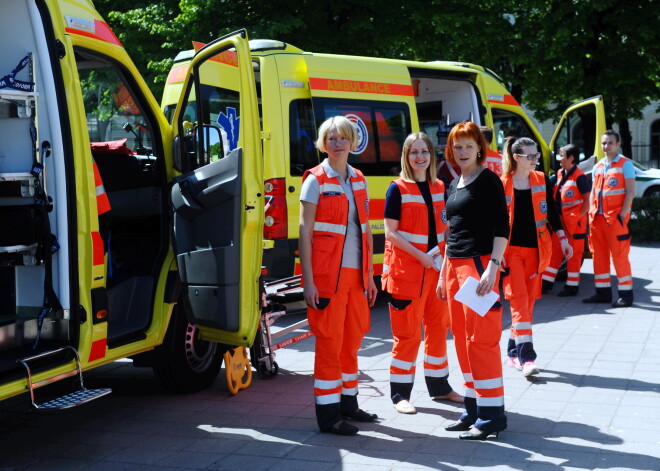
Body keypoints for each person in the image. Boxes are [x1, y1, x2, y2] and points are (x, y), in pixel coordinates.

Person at [299, 115, 379, 436]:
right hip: (327, 279)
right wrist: (308, 281)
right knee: (330, 343)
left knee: (352, 341)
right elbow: (304, 232)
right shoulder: (315, 180)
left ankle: (349, 404)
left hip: (356, 278)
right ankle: (328, 416)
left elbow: (364, 233)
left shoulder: (359, 178)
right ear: (323, 143)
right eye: (331, 138)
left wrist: (370, 277)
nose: (338, 143)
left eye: (343, 138)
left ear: (352, 142)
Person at [437, 121, 509, 440]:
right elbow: (452, 233)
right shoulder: (455, 183)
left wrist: (493, 267)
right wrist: (443, 275)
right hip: (455, 268)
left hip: (479, 266)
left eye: (468, 145)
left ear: (480, 147)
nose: (462, 151)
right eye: (457, 146)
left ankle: (492, 415)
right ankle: (474, 408)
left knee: (482, 341)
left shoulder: (488, 180)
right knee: (464, 341)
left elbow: (501, 227)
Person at [381, 132, 462, 415]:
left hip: (437, 271)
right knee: (407, 336)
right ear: (406, 156)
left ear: (431, 155)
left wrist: (442, 260)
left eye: (424, 152)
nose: (419, 157)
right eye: (414, 152)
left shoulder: (440, 186)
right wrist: (423, 257)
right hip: (408, 273)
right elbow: (390, 233)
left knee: (439, 330)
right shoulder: (397, 188)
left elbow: (447, 229)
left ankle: (440, 388)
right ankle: (400, 395)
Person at [500, 137, 573, 377]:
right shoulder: (503, 184)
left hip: (537, 251)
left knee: (528, 305)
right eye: (530, 156)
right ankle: (527, 358)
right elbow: (494, 223)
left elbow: (552, 210)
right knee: (519, 302)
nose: (535, 160)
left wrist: (563, 239)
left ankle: (512, 352)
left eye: (536, 156)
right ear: (516, 158)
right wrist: (495, 255)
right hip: (510, 253)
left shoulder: (540, 180)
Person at [583, 130, 636, 308]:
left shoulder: (625, 164)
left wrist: (623, 215)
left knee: (620, 257)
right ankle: (602, 293)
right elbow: (593, 192)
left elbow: (630, 191)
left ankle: (626, 295)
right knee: (599, 257)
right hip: (597, 220)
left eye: (610, 143)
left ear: (618, 144)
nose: (606, 146)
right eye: (604, 143)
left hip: (615, 220)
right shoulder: (598, 166)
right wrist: (590, 212)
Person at [542, 144, 591, 296]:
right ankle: (546, 284)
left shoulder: (580, 177)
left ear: (571, 158)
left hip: (575, 224)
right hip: (561, 223)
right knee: (555, 252)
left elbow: (588, 202)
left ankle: (572, 286)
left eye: (562, 155)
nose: (559, 158)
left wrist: (577, 218)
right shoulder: (559, 174)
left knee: (574, 256)